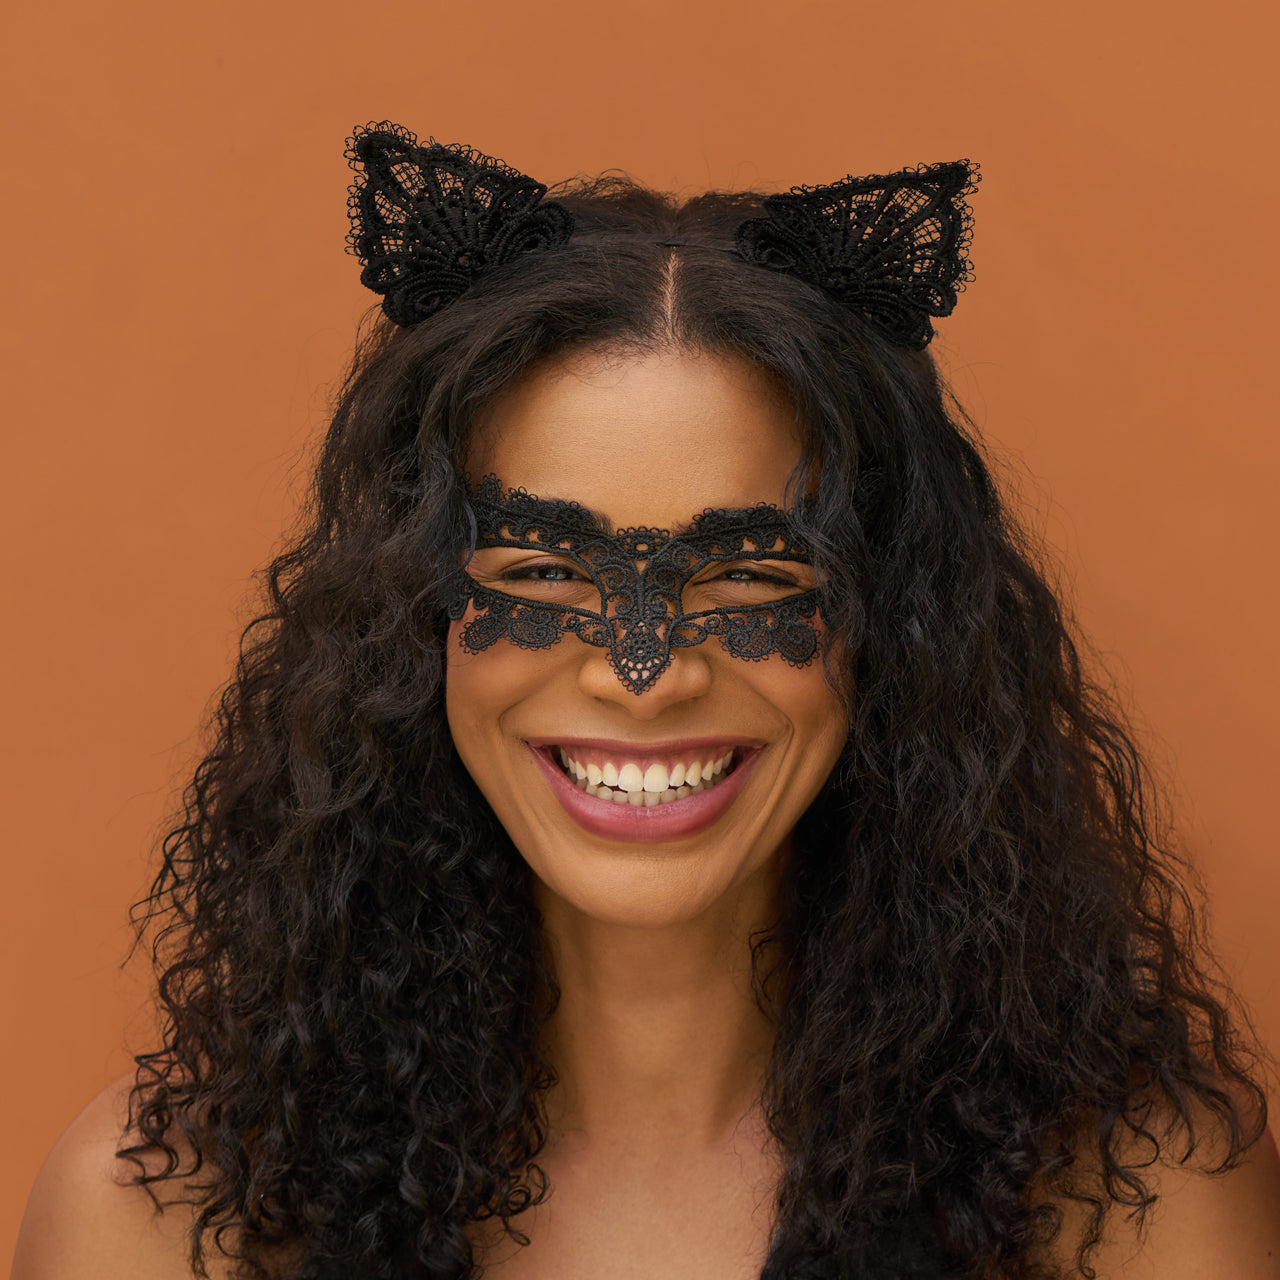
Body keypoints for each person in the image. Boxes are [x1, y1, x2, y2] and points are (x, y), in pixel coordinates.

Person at [13, 123, 1280, 1280]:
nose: (642, 671)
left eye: (749, 575)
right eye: (542, 570)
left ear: (893, 630)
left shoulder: (1132, 1206)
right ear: (413, 622)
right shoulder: (164, 1215)